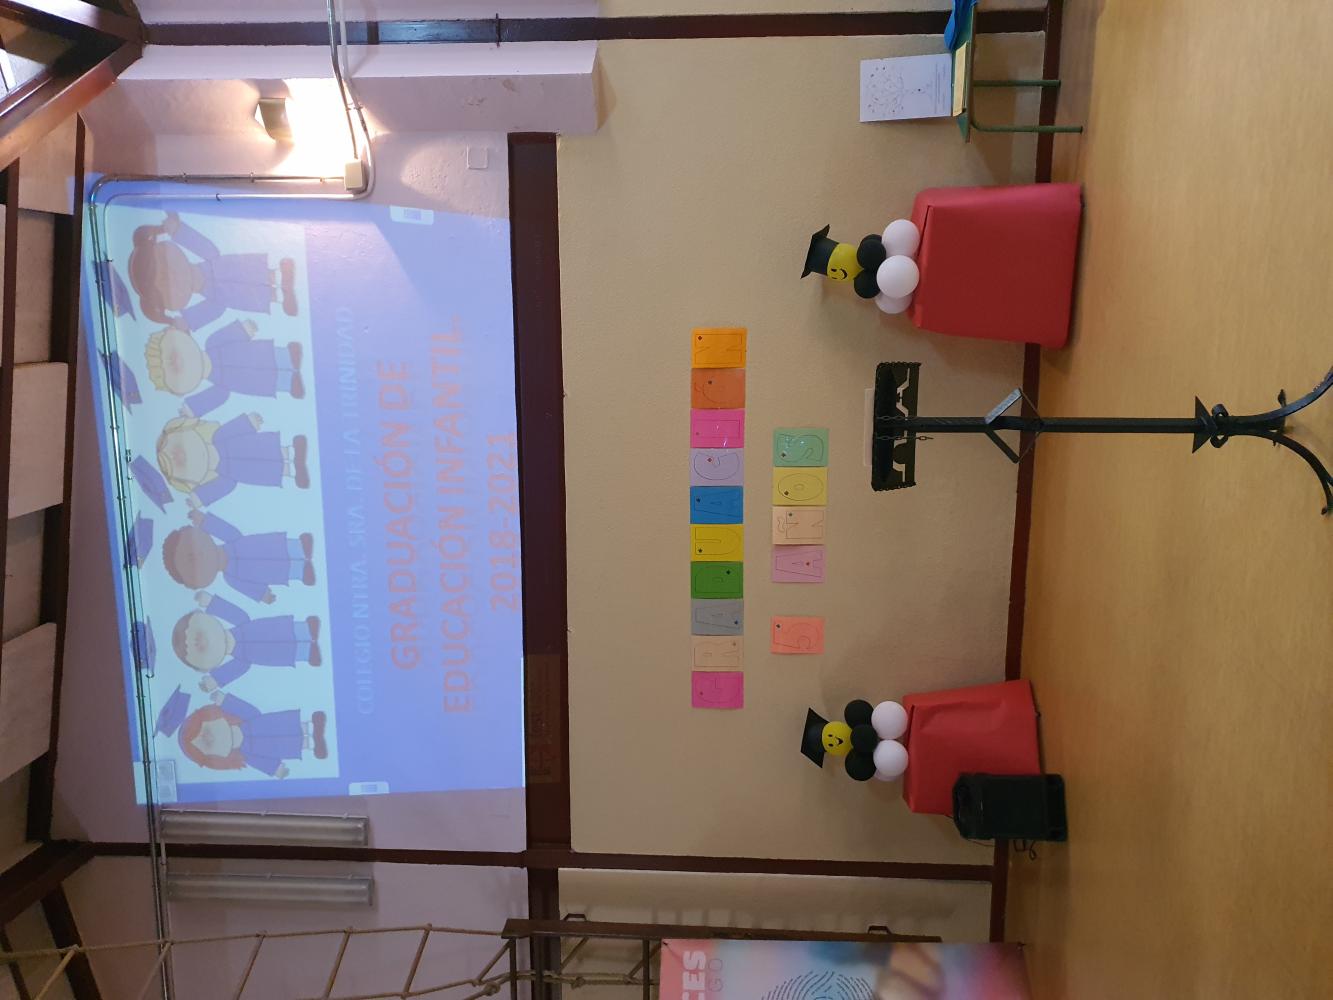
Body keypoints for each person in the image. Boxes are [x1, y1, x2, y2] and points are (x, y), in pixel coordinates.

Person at [128, 211, 297, 330]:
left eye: (165, 265)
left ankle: (278, 275)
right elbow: (210, 312)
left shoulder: (211, 256)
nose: (172, 276)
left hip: (217, 266)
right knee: (246, 296)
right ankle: (280, 297)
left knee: (244, 269)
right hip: (219, 294)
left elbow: (196, 242)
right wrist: (182, 322)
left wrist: (172, 229)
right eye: (166, 285)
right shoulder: (215, 302)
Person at [144, 320, 305, 418]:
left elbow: (229, 334)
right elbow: (216, 397)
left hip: (253, 353)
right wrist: (193, 408)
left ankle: (288, 357)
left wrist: (244, 329)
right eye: (176, 372)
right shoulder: (220, 386)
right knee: (265, 382)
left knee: (267, 355)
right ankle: (289, 383)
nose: (181, 362)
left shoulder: (212, 342)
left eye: (175, 355)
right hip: (249, 382)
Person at [173, 591, 322, 689]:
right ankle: (307, 653)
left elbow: (231, 611)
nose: (204, 642)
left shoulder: (241, 622)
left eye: (199, 635)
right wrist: (216, 680)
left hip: (262, 629)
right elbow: (233, 670)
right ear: (205, 668)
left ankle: (306, 629)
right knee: (282, 654)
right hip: (263, 655)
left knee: (281, 628)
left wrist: (212, 603)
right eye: (201, 649)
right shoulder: (242, 661)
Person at [155, 413, 309, 507]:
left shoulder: (219, 436)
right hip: (243, 472)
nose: (184, 456)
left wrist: (249, 422)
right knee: (263, 471)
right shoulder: (223, 478)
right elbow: (219, 489)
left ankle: (290, 451)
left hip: (247, 445)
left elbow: (233, 429)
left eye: (180, 449)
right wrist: (200, 497)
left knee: (263, 447)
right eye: (181, 464)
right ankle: (291, 471)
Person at [161, 510, 315, 603]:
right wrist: (262, 594)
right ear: (196, 584)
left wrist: (205, 521)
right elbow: (246, 587)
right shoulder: (231, 579)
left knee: (279, 546)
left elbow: (224, 528)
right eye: (192, 565)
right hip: (267, 573)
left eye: (191, 549)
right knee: (281, 572)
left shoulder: (233, 540)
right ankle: (301, 572)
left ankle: (299, 547)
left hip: (264, 546)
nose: (197, 557)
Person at [178, 692, 327, 778]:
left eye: (206, 733)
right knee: (289, 746)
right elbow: (259, 762)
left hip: (264, 724)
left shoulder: (247, 720)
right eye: (208, 744)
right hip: (270, 748)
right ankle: (313, 744)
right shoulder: (246, 754)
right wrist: (275, 769)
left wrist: (225, 701)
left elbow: (247, 709)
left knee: (285, 725)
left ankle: (312, 726)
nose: (213, 738)